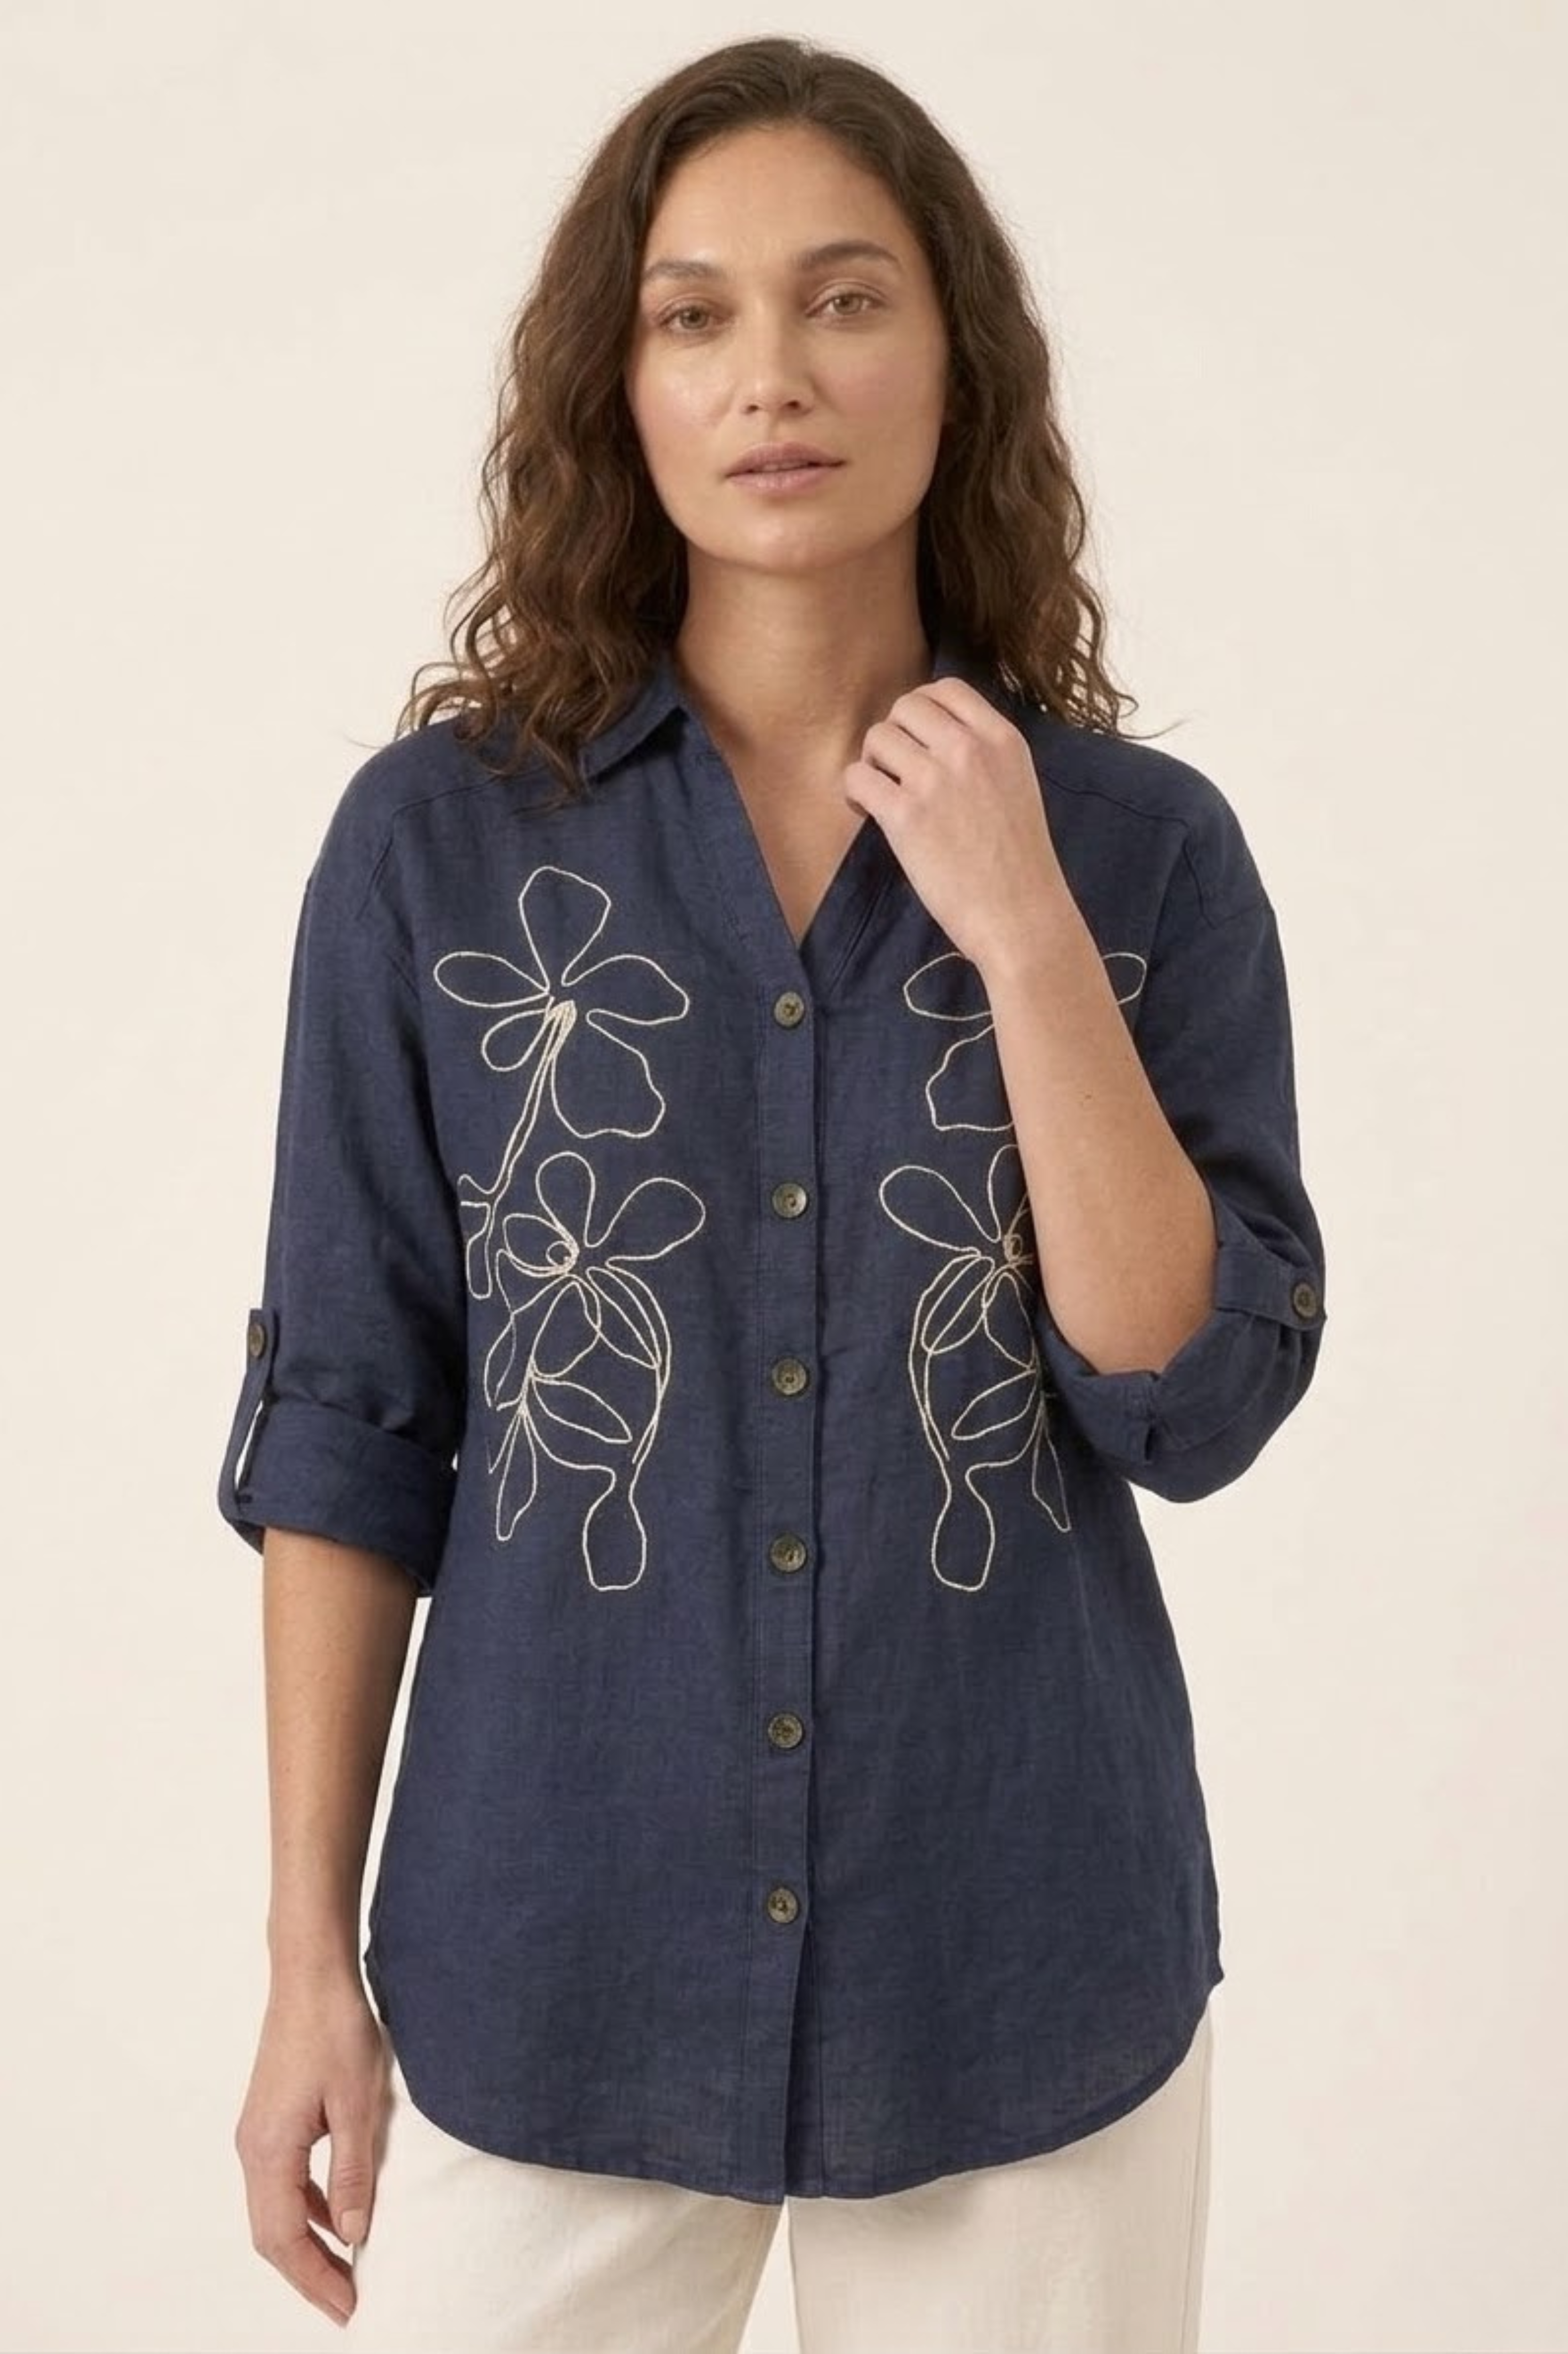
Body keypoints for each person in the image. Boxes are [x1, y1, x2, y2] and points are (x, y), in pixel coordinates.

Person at [219, 34, 1327, 2354]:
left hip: (1020, 1960)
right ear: (614, 385)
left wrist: (1017, 919)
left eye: (845, 298)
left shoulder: (1140, 861)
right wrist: (306, 1960)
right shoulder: (438, 848)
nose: (772, 375)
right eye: (692, 313)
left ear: (957, 360)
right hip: (549, 1949)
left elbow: (1183, 1399)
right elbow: (352, 1413)